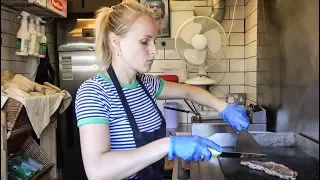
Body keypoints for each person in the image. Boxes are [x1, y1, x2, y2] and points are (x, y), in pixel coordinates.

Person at [75, 1, 250, 180]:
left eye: (154, 41)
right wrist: (169, 145)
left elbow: (188, 91)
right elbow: (98, 171)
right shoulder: (94, 92)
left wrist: (224, 107)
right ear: (116, 41)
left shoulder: (147, 84)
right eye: (144, 42)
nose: (154, 51)